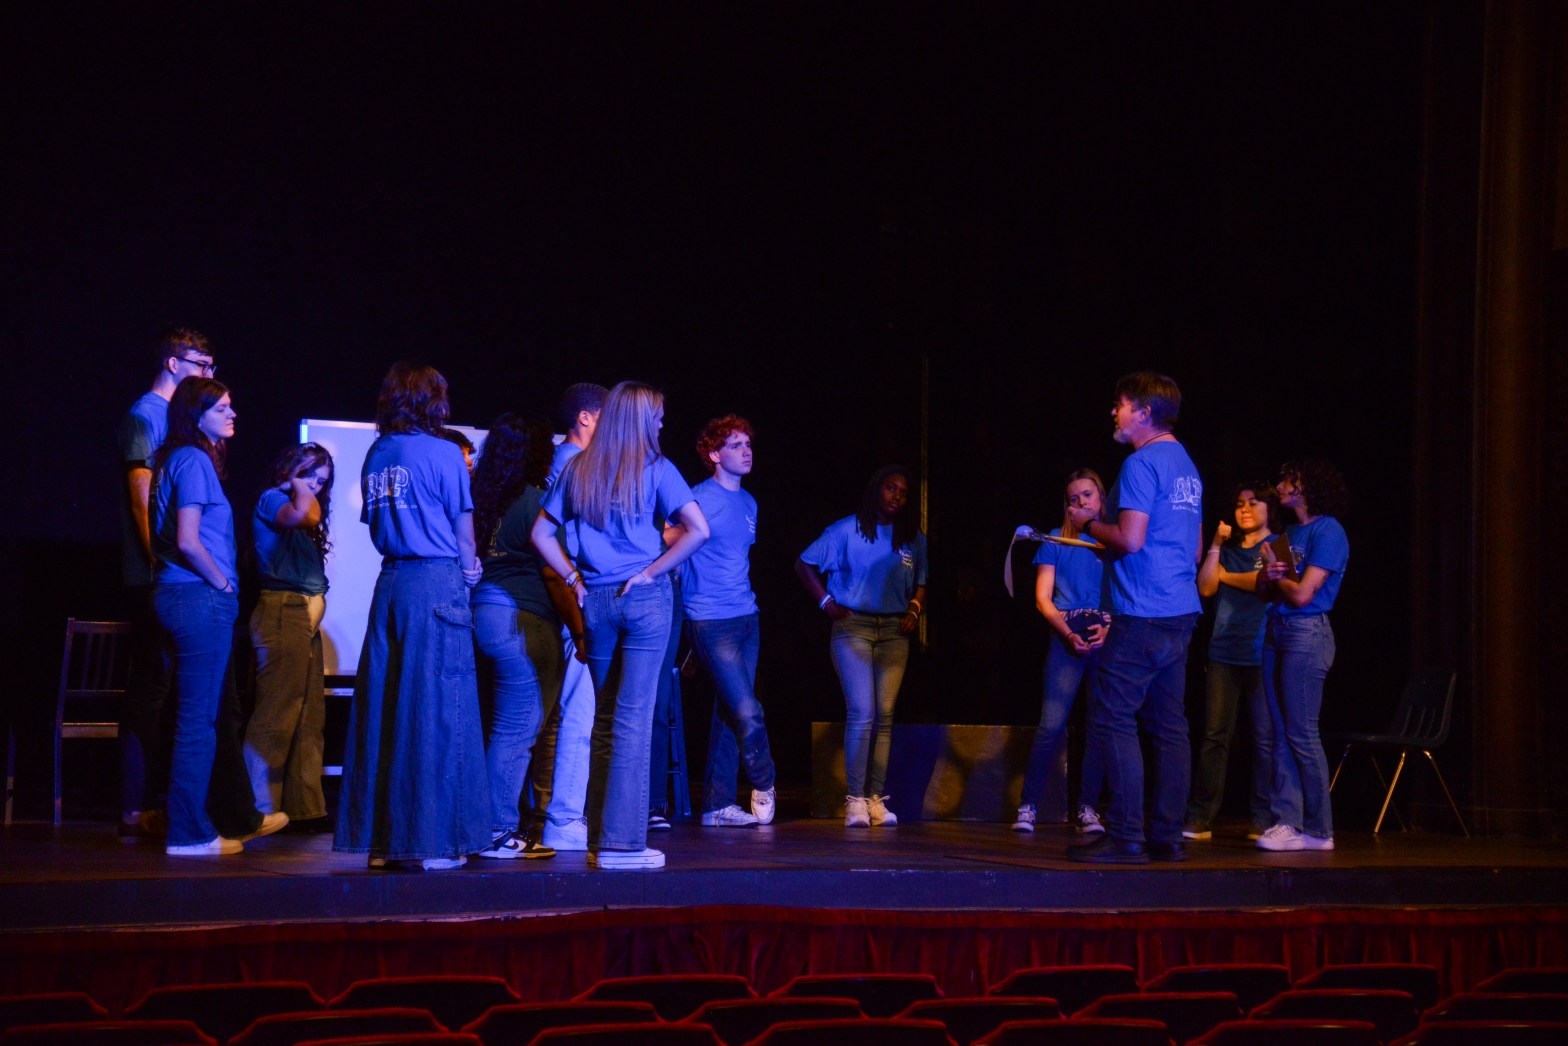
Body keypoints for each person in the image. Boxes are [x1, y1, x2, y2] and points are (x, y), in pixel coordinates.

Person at [532, 381, 710, 870]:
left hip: (596, 600)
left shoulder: (578, 467)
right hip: (644, 598)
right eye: (657, 417)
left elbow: (540, 534)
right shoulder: (656, 468)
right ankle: (622, 845)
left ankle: (599, 840)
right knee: (631, 721)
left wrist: (574, 578)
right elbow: (700, 530)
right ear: (641, 420)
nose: (661, 424)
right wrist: (651, 571)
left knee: (605, 721)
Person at [334, 363, 489, 871]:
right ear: (434, 401)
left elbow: (377, 522)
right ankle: (430, 842)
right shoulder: (443, 452)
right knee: (439, 710)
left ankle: (384, 841)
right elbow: (463, 531)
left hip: (391, 584)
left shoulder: (378, 452)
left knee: (386, 708)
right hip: (435, 580)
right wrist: (470, 573)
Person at [1066, 372, 1202, 865]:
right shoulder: (1187, 465)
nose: (1114, 412)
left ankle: (1125, 836)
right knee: (1169, 726)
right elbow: (1193, 549)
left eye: (1120, 405)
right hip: (1180, 609)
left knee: (1113, 718)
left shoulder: (1141, 462)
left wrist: (1089, 525)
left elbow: (1131, 539)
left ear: (1143, 412)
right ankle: (1166, 836)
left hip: (1142, 611)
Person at [151, 377, 286, 855]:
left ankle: (193, 825)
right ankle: (188, 834)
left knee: (195, 717)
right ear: (197, 413)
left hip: (175, 595)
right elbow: (188, 540)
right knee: (199, 721)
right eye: (222, 408)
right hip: (197, 598)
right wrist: (223, 584)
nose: (233, 414)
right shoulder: (192, 460)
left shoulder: (171, 459)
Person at [116, 327, 216, 842]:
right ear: (174, 364)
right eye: (202, 364)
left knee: (172, 691)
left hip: (174, 575)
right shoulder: (146, 414)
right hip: (155, 575)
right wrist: (159, 560)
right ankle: (135, 810)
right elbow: (141, 492)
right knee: (151, 690)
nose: (208, 374)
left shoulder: (177, 418)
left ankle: (162, 806)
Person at [796, 465, 929, 828]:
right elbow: (804, 563)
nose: (897, 497)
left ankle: (875, 799)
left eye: (903, 492)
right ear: (876, 489)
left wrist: (914, 609)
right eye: (890, 488)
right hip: (853, 627)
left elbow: (921, 582)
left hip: (894, 631)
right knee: (862, 711)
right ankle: (854, 800)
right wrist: (826, 602)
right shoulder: (845, 530)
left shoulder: (912, 537)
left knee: (884, 715)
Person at [469, 411, 567, 860]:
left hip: (481, 614)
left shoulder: (481, 499)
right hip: (523, 618)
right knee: (517, 729)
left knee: (497, 727)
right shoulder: (535, 501)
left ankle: (487, 826)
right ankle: (495, 830)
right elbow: (553, 571)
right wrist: (580, 628)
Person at [674, 414, 777, 827]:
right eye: (735, 445)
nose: (746, 451)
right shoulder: (697, 498)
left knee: (731, 711)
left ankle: (717, 806)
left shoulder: (749, 502)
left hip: (747, 617)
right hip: (710, 619)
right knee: (748, 711)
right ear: (715, 455)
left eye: (748, 444)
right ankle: (765, 780)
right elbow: (669, 541)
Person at [1254, 460, 1350, 852]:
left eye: (1288, 480)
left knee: (1302, 732)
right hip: (1277, 630)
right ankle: (1288, 823)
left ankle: (1320, 830)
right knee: (1280, 732)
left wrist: (1277, 575)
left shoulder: (1329, 531)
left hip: (1307, 633)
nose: (1280, 486)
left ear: (1307, 486)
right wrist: (1266, 575)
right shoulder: (1287, 534)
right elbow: (1264, 591)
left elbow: (1303, 594)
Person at [242, 442, 335, 832]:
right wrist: (297, 484)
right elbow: (302, 514)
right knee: (276, 715)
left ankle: (304, 809)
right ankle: (254, 809)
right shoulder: (273, 498)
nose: (314, 485)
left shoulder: (307, 509)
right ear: (292, 468)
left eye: (321, 480)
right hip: (283, 612)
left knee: (309, 718)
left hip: (303, 618)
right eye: (309, 473)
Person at [530, 382, 607, 851]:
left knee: (562, 713)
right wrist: (578, 582)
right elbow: (566, 540)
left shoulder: (560, 463)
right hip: (574, 597)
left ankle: (554, 814)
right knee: (580, 710)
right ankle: (564, 817)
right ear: (585, 417)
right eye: (606, 417)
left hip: (563, 596)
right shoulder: (575, 466)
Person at [1014, 469, 1111, 835]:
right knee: (1051, 724)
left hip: (1104, 634)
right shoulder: (1056, 539)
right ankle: (1028, 806)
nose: (1081, 502)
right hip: (1066, 632)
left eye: (1087, 495)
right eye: (1074, 498)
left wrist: (1110, 627)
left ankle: (1088, 808)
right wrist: (1069, 634)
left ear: (1100, 498)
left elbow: (1128, 592)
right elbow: (1043, 598)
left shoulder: (1112, 541)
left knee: (1099, 726)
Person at [1183, 483, 1278, 842]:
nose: (1245, 509)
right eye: (1239, 504)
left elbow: (1264, 582)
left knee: (1264, 739)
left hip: (1262, 652)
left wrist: (1227, 576)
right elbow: (1206, 587)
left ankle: (1264, 818)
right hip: (1223, 651)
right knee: (1214, 737)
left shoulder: (1275, 546)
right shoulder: (1228, 549)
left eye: (1253, 503)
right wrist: (1216, 545)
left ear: (1269, 508)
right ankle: (1200, 817)